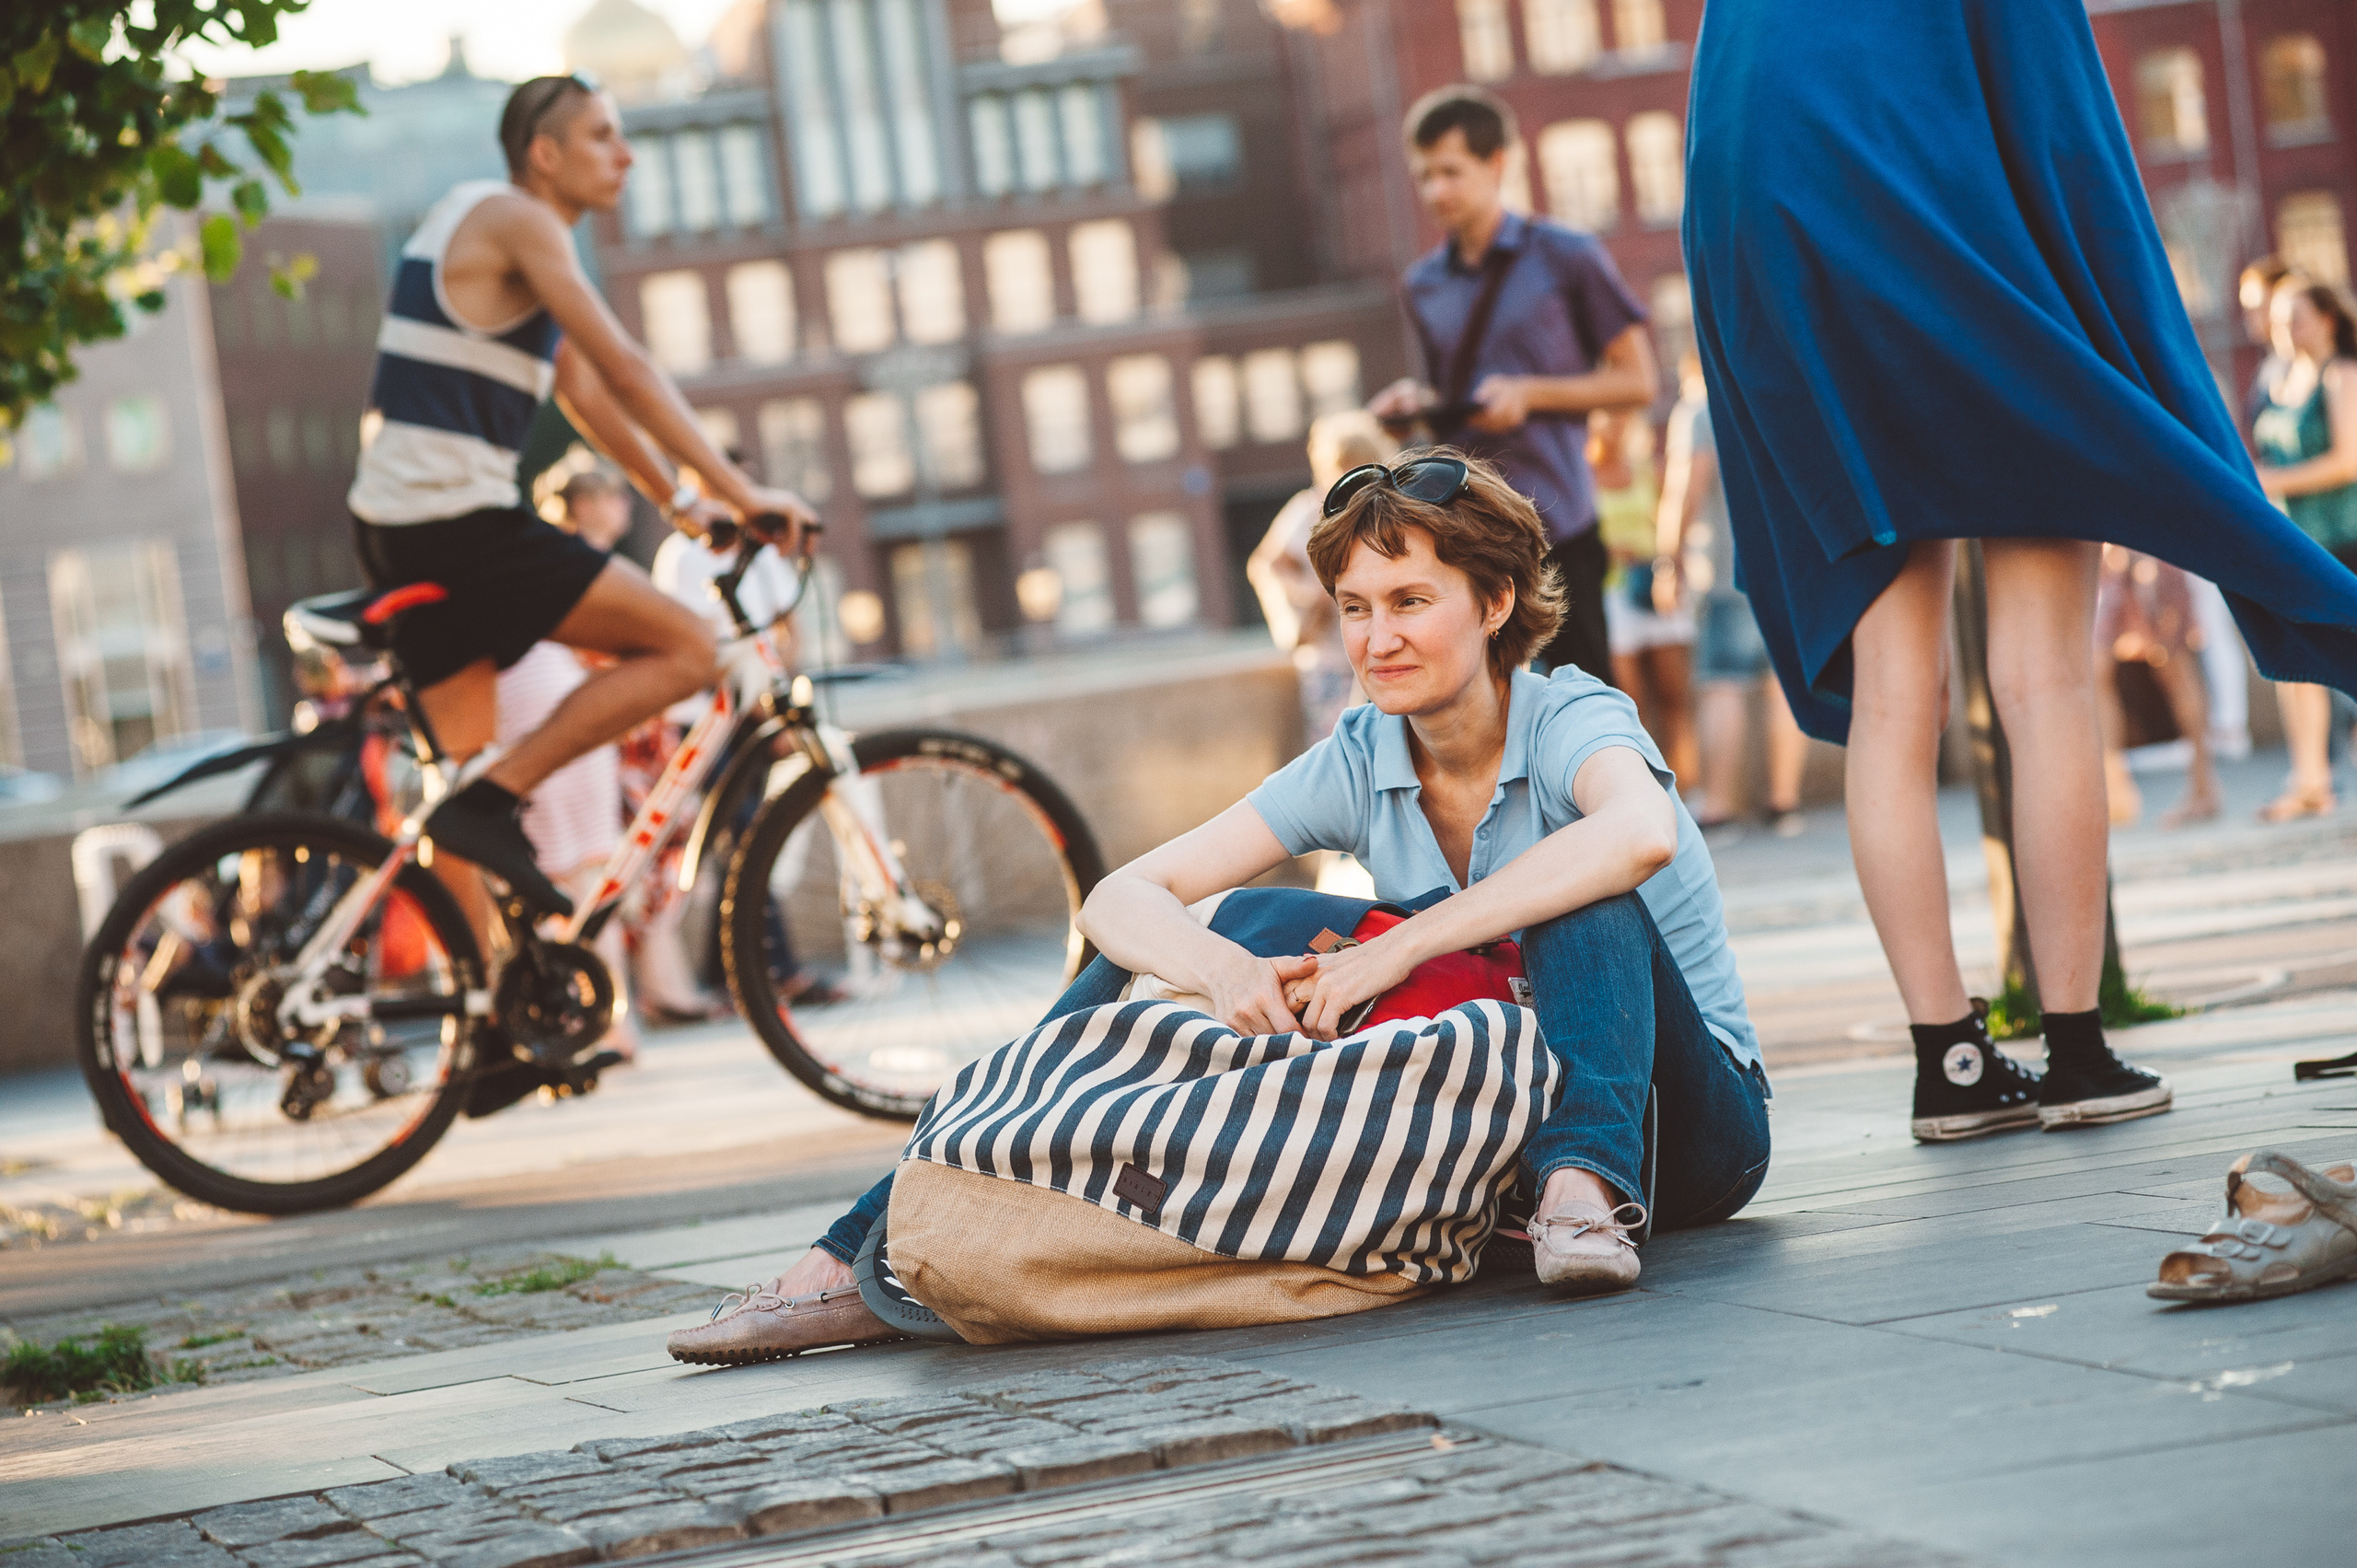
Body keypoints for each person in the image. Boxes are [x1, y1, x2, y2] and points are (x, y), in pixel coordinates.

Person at [667, 451, 1772, 1365]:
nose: (1375, 637)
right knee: (1237, 918)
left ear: (1490, 605)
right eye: (1352, 608)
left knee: (1587, 889)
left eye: (1408, 603)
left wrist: (1390, 957)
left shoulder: (1571, 715)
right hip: (1481, 1128)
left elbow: (1638, 834)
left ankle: (1582, 1190)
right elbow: (1119, 897)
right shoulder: (1359, 752)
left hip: (1683, 1131)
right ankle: (877, 1238)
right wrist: (1224, 974)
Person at [1683, 0, 2357, 1144]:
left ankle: (1946, 1061)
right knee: (2043, 675)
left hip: (1778, 254)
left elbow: (1724, 125)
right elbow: (2063, 131)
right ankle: (2077, 1050)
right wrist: (2136, 369)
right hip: (1960, 246)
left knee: (1896, 698)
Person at [346, 72, 812, 938]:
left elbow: (587, 393)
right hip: (454, 523)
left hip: (401, 524)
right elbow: (628, 365)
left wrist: (680, 501)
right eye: (603, 136)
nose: (625, 154)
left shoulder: (493, 237)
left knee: (457, 784)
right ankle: (495, 800)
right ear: (544, 153)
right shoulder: (516, 218)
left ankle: (476, 1028)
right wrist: (743, 492)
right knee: (688, 646)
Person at [1366, 85, 1657, 684]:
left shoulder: (1567, 255)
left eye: (1451, 171)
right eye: (1424, 176)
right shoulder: (1422, 284)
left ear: (1496, 162)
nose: (1435, 191)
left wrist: (1530, 395)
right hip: (1462, 529)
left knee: (1587, 702)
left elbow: (1639, 381)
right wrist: (1416, 407)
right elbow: (1452, 400)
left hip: (1559, 522)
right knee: (1481, 708)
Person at [1655, 355, 1806, 833]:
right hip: (1787, 566)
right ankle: (1784, 800)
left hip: (1726, 570)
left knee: (1723, 684)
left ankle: (1719, 805)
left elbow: (1688, 487)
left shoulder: (1701, 409)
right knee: (1782, 687)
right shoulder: (1775, 389)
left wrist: (1669, 559)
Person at [2253, 278, 2357, 822]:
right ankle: (2310, 778)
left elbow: (2348, 461)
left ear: (2327, 320)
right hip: (2295, 540)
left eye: (2295, 317)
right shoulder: (2279, 378)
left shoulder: (2342, 375)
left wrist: (2269, 479)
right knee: (2295, 661)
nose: (2283, 329)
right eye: (2277, 318)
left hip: (2346, 537)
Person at [1248, 412, 1393, 739]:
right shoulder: (1308, 509)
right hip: (1328, 658)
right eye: (1338, 468)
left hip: (1377, 650)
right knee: (1337, 746)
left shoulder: (1383, 508)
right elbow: (1265, 564)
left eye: (1354, 467)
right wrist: (1307, 593)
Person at [1593, 413, 1697, 786]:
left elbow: (1669, 519)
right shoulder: (1582, 476)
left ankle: (1687, 789)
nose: (1613, 427)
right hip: (1613, 595)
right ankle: (1641, 789)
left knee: (1674, 697)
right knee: (1628, 701)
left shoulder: (1646, 470)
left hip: (1653, 587)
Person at [2093, 547, 2221, 829]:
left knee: (2174, 667)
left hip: (2150, 551)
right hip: (2110, 558)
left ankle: (2203, 785)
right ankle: (2115, 785)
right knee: (2096, 665)